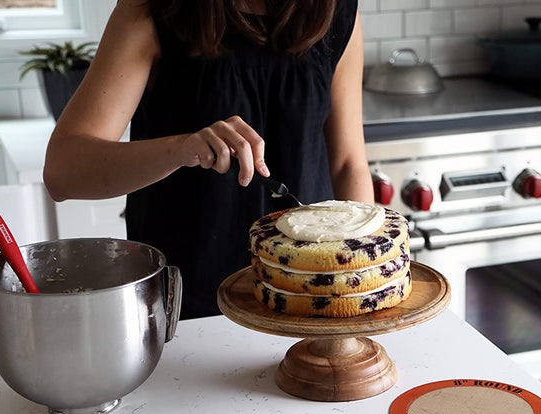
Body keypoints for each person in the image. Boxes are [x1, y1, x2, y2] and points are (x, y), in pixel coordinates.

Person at [43, 0, 373, 319]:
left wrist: (368, 278)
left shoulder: (334, 10)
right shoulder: (150, 9)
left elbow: (347, 164)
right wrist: (182, 147)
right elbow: (63, 171)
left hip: (314, 300)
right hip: (189, 307)